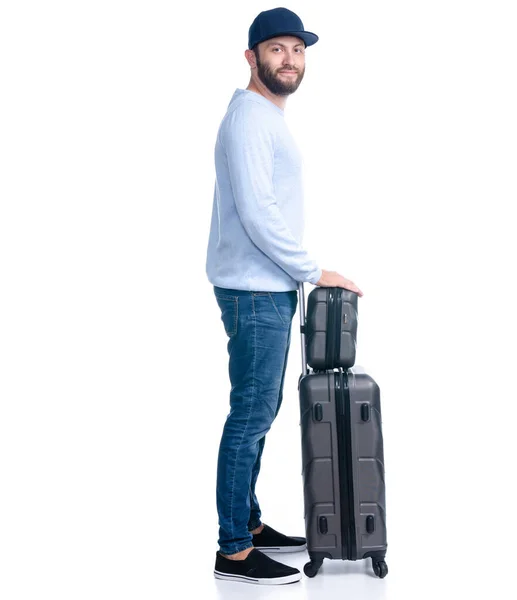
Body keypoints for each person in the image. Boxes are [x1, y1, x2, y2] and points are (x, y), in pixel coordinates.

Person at [206, 7, 363, 585]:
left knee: (259, 410)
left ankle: (246, 523)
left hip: (264, 286)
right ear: (252, 57)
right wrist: (314, 270)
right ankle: (233, 550)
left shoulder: (263, 116)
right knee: (250, 414)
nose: (289, 60)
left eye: (297, 50)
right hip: (255, 289)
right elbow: (257, 213)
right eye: (276, 50)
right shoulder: (250, 118)